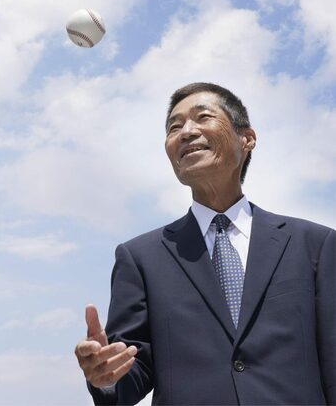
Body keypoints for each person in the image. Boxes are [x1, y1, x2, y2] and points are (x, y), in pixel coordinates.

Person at [75, 82, 335, 406]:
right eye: (174, 126)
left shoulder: (316, 245)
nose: (186, 131)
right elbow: (129, 373)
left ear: (247, 138)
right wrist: (106, 378)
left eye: (203, 117)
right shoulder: (139, 258)